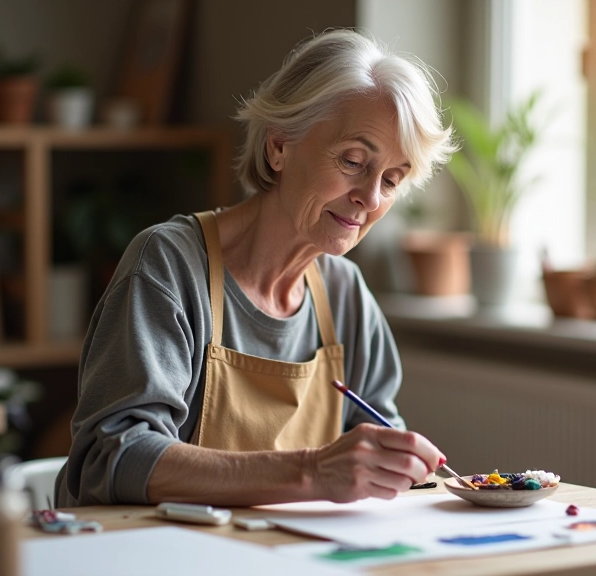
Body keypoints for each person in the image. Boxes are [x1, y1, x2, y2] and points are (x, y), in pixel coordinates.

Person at [56, 29, 457, 507]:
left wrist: (396, 466)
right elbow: (112, 458)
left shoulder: (345, 294)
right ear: (278, 146)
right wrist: (311, 471)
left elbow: (377, 455)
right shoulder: (168, 266)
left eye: (392, 180)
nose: (370, 199)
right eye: (353, 161)